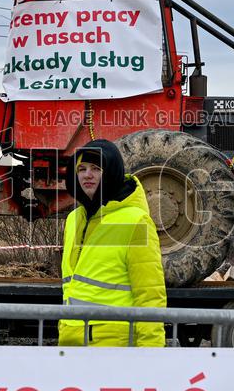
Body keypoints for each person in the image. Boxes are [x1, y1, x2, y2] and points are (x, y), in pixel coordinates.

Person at [58, 140, 166, 347]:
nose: (87, 175)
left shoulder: (136, 221)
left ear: (111, 172)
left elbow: (150, 295)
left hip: (114, 347)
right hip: (71, 342)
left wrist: (152, 355)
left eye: (96, 169)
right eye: (82, 169)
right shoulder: (73, 220)